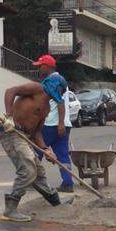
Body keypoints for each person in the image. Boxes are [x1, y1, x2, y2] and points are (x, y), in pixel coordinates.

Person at [0, 55, 64, 222]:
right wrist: (9, 117)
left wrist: (46, 150)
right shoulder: (36, 89)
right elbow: (10, 91)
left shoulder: (47, 108)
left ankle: (56, 202)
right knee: (28, 169)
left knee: (38, 171)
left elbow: (36, 133)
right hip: (12, 132)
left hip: (24, 136)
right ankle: (10, 209)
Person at [39, 63, 75, 202]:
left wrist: (59, 123)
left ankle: (32, 180)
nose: (39, 69)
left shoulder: (52, 81)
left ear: (48, 67)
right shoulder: (61, 80)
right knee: (62, 155)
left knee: (37, 151)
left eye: (41, 66)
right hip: (63, 124)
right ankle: (67, 183)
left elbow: (59, 103)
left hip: (51, 124)